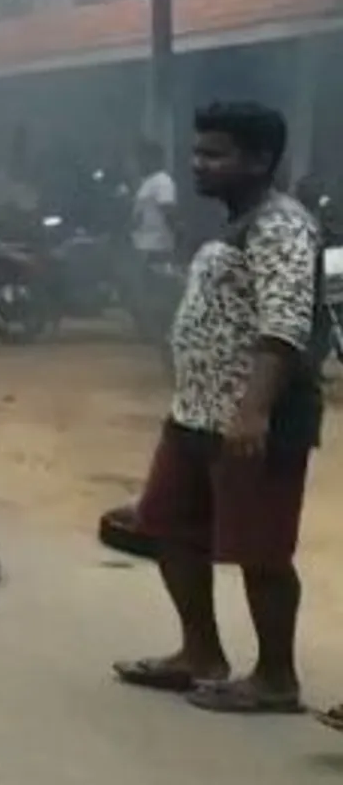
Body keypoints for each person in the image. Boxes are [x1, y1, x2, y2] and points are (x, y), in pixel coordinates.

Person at [114, 101, 323, 716]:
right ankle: (199, 653)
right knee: (167, 526)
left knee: (261, 550)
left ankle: (276, 677)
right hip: (196, 413)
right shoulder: (236, 221)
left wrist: (254, 410)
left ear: (259, 160)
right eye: (198, 151)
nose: (197, 163)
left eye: (214, 154)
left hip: (253, 421)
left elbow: (284, 325)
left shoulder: (281, 226)